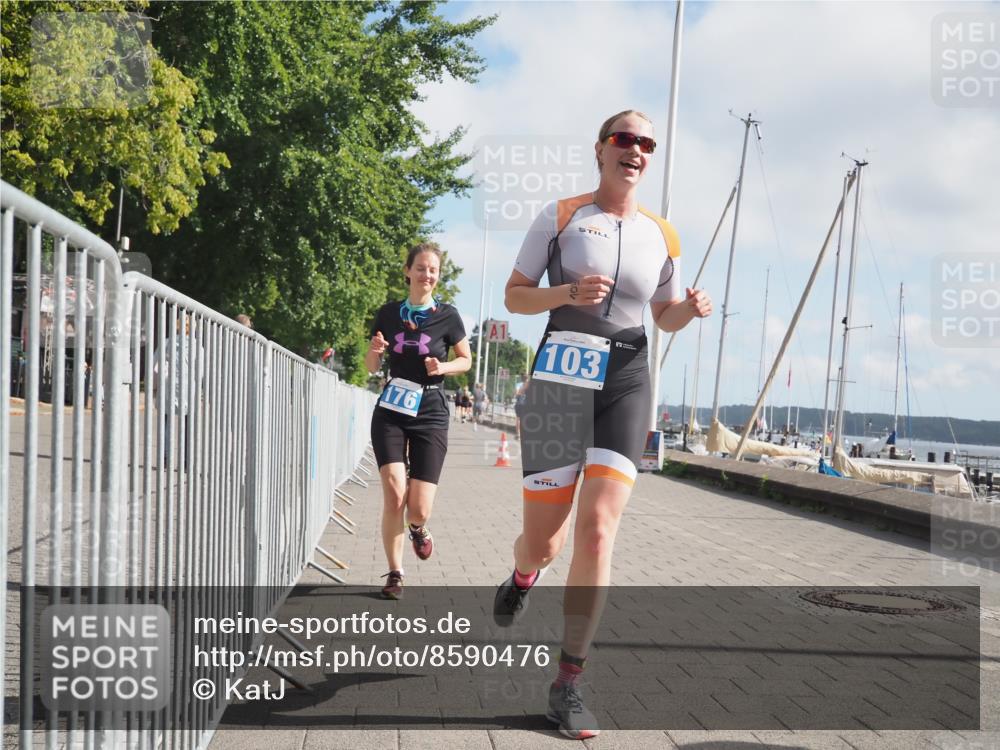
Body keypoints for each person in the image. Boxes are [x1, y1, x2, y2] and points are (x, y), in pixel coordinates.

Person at [491, 110, 713, 739]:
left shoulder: (663, 234)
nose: (635, 150)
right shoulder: (561, 216)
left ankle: (569, 682)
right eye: (624, 140)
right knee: (547, 540)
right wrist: (564, 295)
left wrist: (688, 313)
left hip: (628, 376)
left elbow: (662, 316)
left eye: (646, 143)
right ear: (601, 150)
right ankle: (523, 574)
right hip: (562, 372)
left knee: (597, 531)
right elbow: (514, 296)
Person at [365, 243, 471, 599]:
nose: (427, 275)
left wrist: (444, 367)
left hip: (430, 410)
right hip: (392, 408)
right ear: (408, 271)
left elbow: (466, 360)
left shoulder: (449, 315)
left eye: (434, 270)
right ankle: (395, 573)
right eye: (421, 268)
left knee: (418, 508)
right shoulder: (388, 313)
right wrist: (375, 353)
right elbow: (371, 366)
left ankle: (419, 529)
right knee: (394, 494)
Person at [513, 373, 529, 440]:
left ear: (521, 378)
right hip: (527, 404)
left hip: (519, 403)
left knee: (518, 419)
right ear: (527, 378)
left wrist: (519, 393)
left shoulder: (518, 384)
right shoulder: (529, 385)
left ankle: (518, 434)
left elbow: (516, 393)